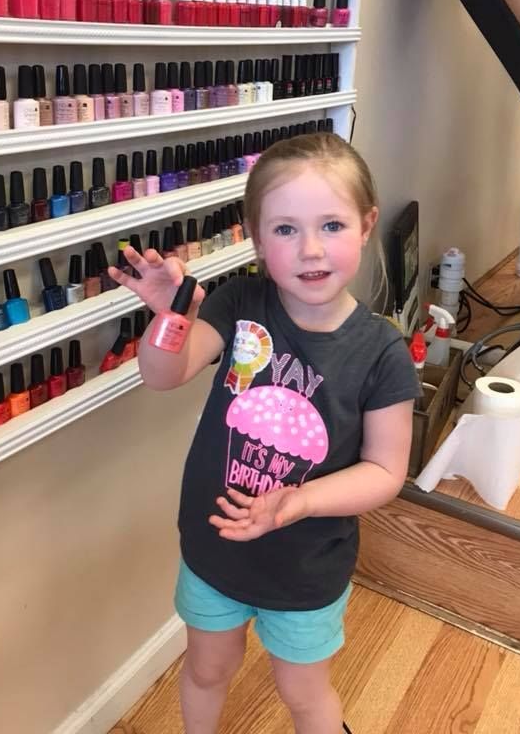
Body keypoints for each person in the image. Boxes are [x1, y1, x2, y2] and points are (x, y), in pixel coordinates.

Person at [109, 132, 420, 734]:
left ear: (366, 224)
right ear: (256, 238)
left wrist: (300, 501)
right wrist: (173, 318)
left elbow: (386, 470)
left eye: (331, 225)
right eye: (284, 230)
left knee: (304, 693)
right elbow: (162, 376)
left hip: (305, 568)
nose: (309, 249)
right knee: (207, 667)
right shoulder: (239, 302)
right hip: (213, 549)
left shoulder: (382, 352)